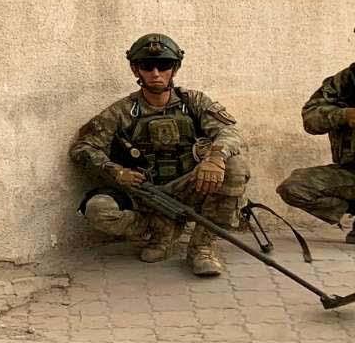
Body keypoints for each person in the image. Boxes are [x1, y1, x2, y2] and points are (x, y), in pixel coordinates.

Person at [69, 33, 247, 278]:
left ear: (174, 69)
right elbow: (82, 148)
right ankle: (161, 231)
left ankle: (202, 248)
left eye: (163, 66)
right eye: (147, 66)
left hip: (189, 185)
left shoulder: (193, 102)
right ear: (135, 70)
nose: (155, 73)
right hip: (146, 193)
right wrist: (116, 171)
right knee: (98, 209)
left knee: (235, 166)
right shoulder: (122, 112)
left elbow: (229, 132)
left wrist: (215, 157)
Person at [276, 56, 355, 242]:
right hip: (351, 172)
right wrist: (343, 115)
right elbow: (310, 118)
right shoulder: (347, 80)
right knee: (294, 188)